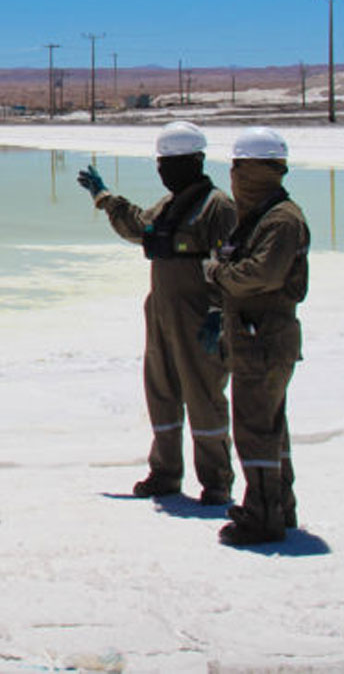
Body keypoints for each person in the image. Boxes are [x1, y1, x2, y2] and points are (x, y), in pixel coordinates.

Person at [76, 121, 237, 505]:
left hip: (200, 315)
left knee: (204, 394)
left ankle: (216, 480)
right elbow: (140, 227)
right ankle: (165, 472)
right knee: (161, 390)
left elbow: (230, 264)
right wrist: (105, 197)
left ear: (197, 161)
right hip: (162, 310)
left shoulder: (219, 207)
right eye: (163, 162)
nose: (166, 170)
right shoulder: (169, 206)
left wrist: (220, 312)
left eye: (174, 162)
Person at [203, 126, 310, 546]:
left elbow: (261, 275)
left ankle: (263, 515)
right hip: (254, 335)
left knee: (255, 428)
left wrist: (218, 273)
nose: (233, 177)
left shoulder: (281, 220)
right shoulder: (263, 216)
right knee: (267, 425)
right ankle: (277, 505)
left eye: (239, 169)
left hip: (265, 338)